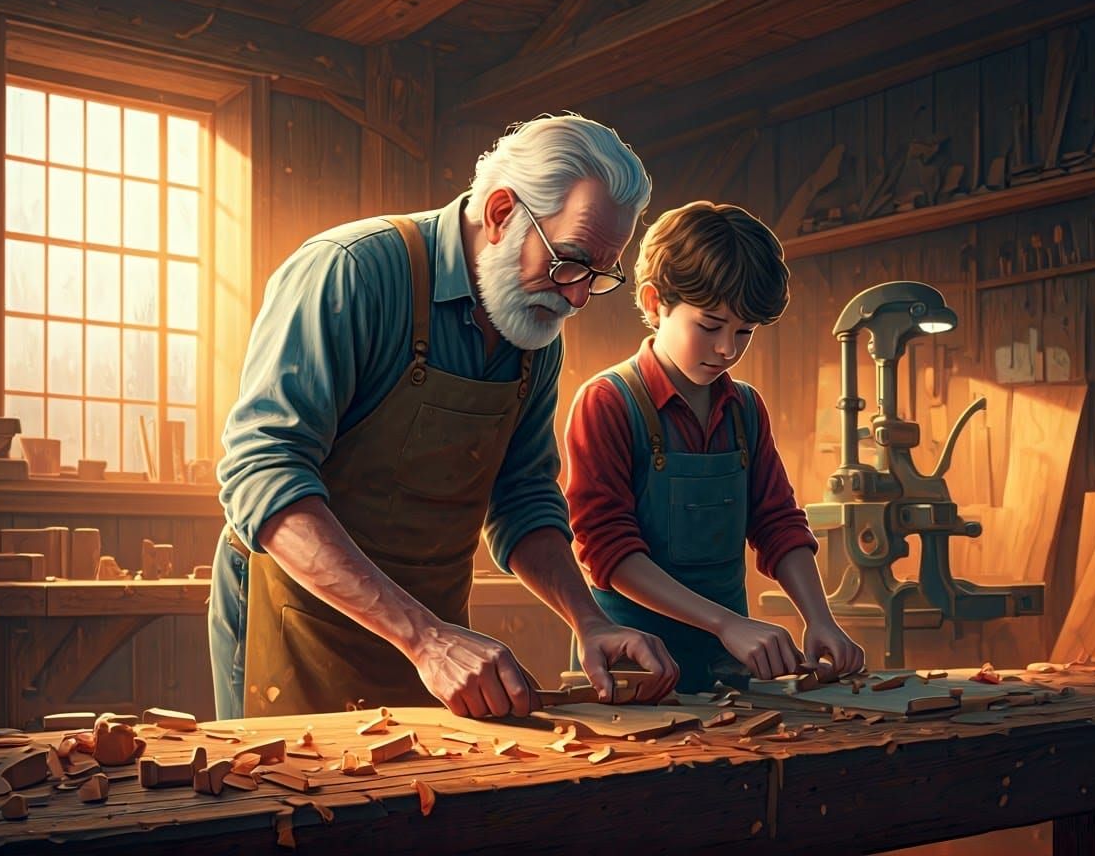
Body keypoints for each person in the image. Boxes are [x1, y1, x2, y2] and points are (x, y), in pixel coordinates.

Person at [208, 114, 679, 721]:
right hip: (301, 627)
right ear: (503, 212)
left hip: (436, 639)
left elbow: (522, 497)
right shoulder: (350, 272)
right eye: (569, 261)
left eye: (598, 275)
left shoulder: (535, 330)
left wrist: (590, 620)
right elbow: (262, 477)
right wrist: (423, 638)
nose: (578, 296)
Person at [564, 200, 865, 694]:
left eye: (744, 331)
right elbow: (607, 551)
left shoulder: (745, 409)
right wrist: (728, 624)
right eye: (709, 326)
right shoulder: (606, 402)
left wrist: (820, 618)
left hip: (731, 673)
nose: (727, 349)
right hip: (632, 674)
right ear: (654, 302)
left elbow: (776, 522)